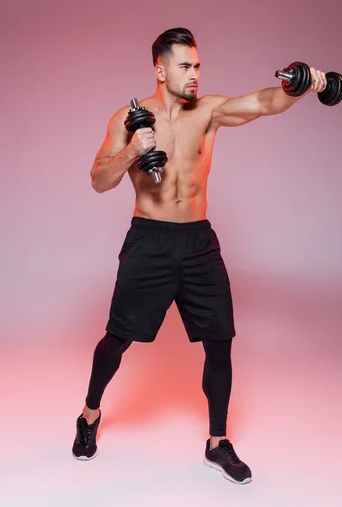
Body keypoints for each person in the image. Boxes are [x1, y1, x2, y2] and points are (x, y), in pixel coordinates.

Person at [72, 28, 327, 484]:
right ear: (160, 69)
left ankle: (217, 443)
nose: (195, 75)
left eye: (198, 66)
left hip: (198, 244)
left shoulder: (208, 112)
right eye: (186, 66)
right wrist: (134, 149)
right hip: (148, 241)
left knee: (220, 340)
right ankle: (89, 415)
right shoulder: (127, 119)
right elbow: (98, 180)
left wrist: (302, 86)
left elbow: (265, 102)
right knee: (118, 338)